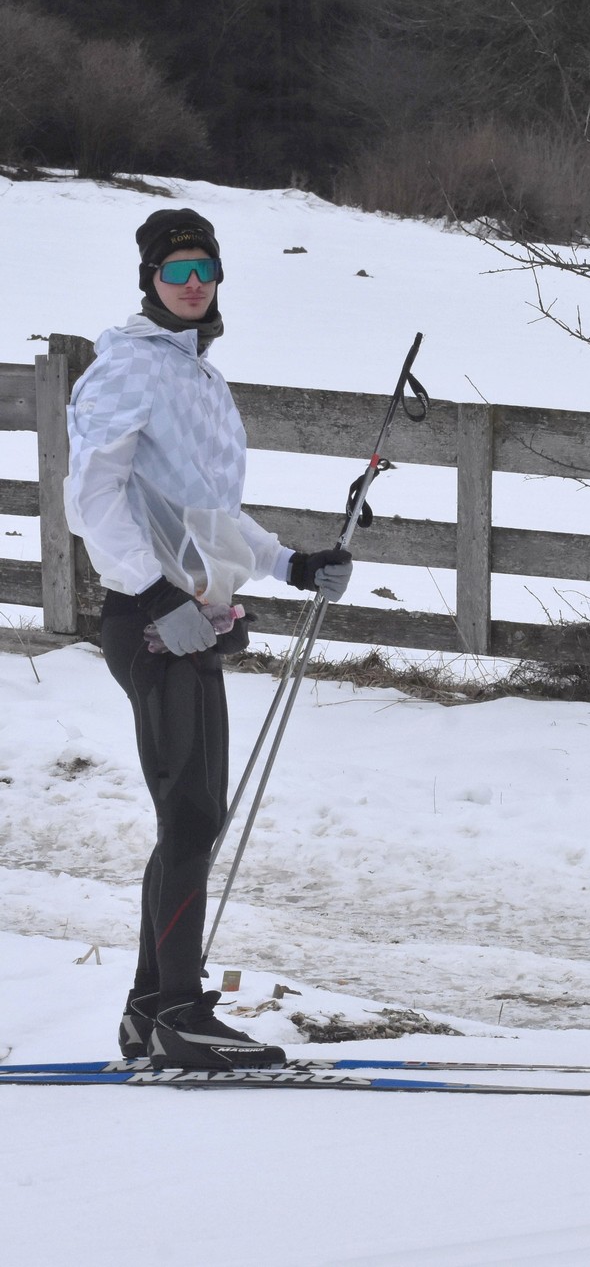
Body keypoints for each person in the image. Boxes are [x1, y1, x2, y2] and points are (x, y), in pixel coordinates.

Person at [65, 208, 355, 1069]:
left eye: (204, 269)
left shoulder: (197, 377)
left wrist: (291, 563)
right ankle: (182, 1016)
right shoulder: (128, 368)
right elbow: (93, 499)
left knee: (191, 818)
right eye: (175, 271)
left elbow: (211, 517)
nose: (192, 284)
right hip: (151, 622)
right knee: (190, 816)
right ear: (149, 281)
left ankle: (148, 1011)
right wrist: (155, 594)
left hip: (192, 621)